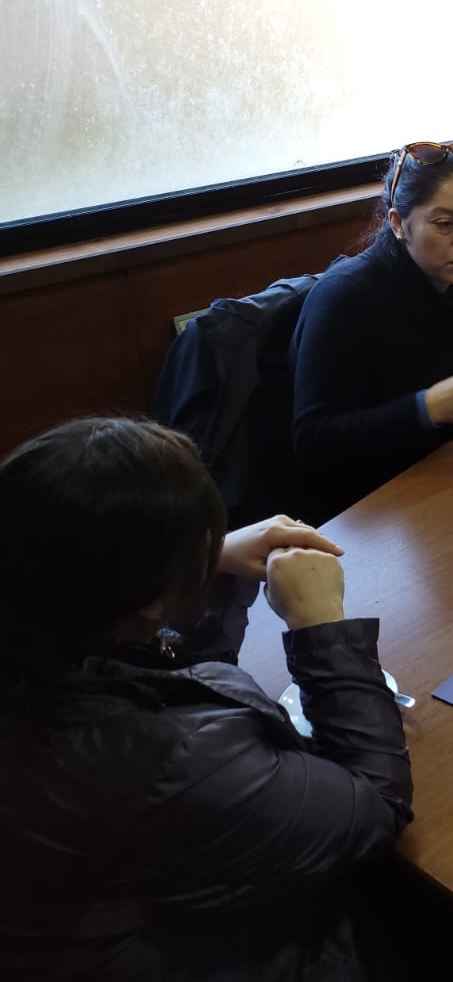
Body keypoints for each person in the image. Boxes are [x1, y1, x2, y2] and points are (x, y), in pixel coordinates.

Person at [0, 418, 412, 979]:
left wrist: (209, 564)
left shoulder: (44, 630)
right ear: (144, 600)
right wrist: (321, 629)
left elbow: (161, 663)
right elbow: (375, 807)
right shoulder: (168, 760)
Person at [291, 141, 453, 521]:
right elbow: (312, 439)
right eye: (444, 224)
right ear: (398, 224)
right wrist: (424, 409)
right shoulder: (344, 297)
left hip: (445, 478)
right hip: (362, 513)